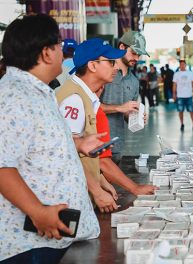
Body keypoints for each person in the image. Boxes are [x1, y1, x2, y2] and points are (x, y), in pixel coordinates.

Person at [0, 14, 101, 263]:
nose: (61, 53)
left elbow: (32, 144)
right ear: (46, 53)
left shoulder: (38, 91)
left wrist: (76, 144)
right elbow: (2, 165)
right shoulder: (13, 96)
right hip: (29, 245)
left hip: (53, 238)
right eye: (58, 45)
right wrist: (37, 211)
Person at [57, 38, 126, 214]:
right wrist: (96, 190)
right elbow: (65, 155)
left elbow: (83, 155)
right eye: (110, 62)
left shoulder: (85, 96)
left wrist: (100, 180)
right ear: (92, 66)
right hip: (70, 202)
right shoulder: (73, 99)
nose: (116, 67)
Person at [95, 86, 158, 195]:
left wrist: (135, 118)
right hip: (99, 157)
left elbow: (127, 112)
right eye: (111, 66)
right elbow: (101, 161)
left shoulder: (133, 82)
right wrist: (134, 188)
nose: (113, 69)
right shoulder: (80, 97)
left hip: (115, 147)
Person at [100, 31, 149, 163]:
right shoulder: (102, 71)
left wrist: (135, 116)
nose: (137, 58)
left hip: (117, 146)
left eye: (139, 55)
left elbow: (126, 114)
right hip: (96, 145)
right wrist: (119, 108)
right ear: (122, 47)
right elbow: (88, 106)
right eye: (134, 53)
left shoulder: (134, 82)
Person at [173, 59, 193, 132]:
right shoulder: (176, 74)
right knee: (180, 111)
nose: (182, 66)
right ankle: (182, 124)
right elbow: (174, 84)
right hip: (180, 96)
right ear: (179, 66)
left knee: (191, 110)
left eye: (183, 64)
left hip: (189, 95)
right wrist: (174, 94)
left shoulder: (190, 73)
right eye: (181, 64)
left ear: (185, 65)